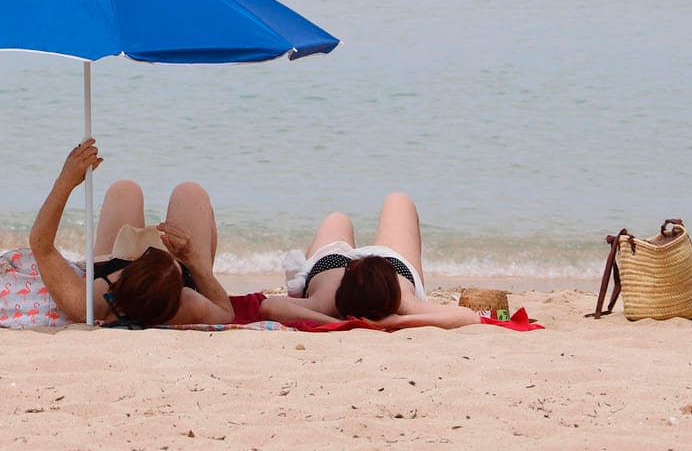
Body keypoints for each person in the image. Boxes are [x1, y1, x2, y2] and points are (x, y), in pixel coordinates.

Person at [27, 137, 236, 327]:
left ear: (119, 281)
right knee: (191, 193)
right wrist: (194, 262)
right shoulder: (188, 305)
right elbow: (226, 313)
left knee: (124, 190)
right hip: (166, 286)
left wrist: (66, 180)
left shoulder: (91, 302)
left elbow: (40, 244)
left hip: (118, 274)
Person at [284, 192, 480, 329]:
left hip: (330, 265)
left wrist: (332, 321)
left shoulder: (326, 302)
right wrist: (395, 322)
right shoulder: (403, 303)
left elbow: (269, 306)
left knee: (338, 218)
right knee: (398, 200)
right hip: (390, 265)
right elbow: (468, 316)